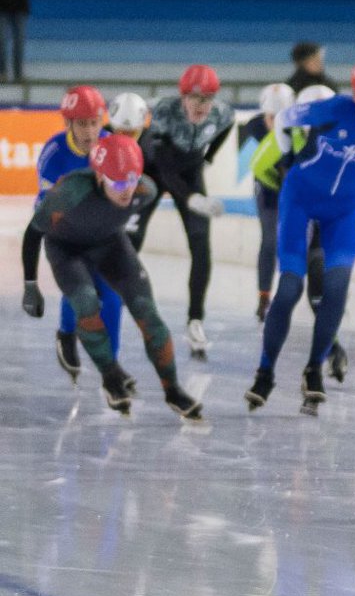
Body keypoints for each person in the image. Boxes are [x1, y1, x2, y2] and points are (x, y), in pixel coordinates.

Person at [250, 57, 355, 414]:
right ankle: (265, 371)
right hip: (301, 200)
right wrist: (289, 155)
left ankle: (314, 370)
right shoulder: (333, 108)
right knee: (290, 288)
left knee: (337, 287)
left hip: (347, 208)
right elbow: (284, 118)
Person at [30, 134, 203, 420]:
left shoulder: (145, 190)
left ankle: (173, 390)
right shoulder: (69, 192)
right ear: (99, 177)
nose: (127, 191)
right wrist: (30, 284)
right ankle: (110, 377)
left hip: (109, 244)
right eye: (118, 184)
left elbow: (125, 215)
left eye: (132, 180)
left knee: (148, 313)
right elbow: (33, 232)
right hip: (66, 250)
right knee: (86, 303)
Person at [141, 65, 236, 358]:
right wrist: (191, 198)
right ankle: (111, 300)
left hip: (191, 171)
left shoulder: (222, 114)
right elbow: (165, 168)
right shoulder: (163, 111)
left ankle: (195, 320)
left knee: (201, 245)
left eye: (207, 99)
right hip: (154, 170)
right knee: (132, 238)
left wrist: (208, 159)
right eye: (195, 98)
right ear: (182, 97)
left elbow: (227, 127)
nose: (201, 105)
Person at [23, 87, 110, 378]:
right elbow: (45, 216)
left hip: (96, 218)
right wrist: (30, 282)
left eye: (94, 123)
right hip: (60, 219)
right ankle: (66, 333)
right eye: (82, 124)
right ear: (67, 123)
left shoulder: (110, 145)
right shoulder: (54, 155)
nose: (89, 132)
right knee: (79, 276)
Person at [242, 82, 303, 322]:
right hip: (269, 187)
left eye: (282, 118)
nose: (277, 124)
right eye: (271, 118)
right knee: (270, 239)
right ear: (263, 116)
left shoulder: (301, 128)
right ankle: (264, 296)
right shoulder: (255, 126)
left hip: (294, 186)